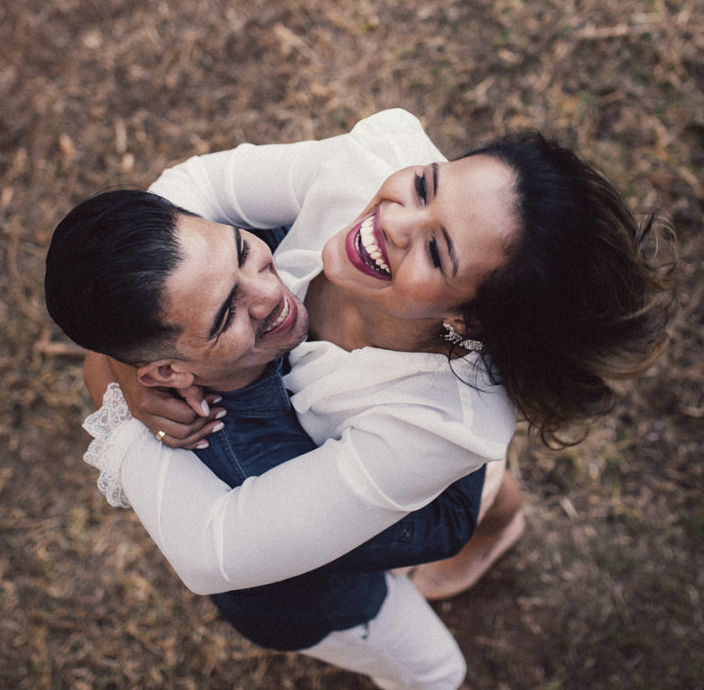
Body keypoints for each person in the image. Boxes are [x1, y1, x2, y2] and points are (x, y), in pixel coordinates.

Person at [80, 109, 675, 685]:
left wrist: (113, 383)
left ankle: (494, 528)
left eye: (437, 251)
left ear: (467, 320)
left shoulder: (440, 422)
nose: (394, 221)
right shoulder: (376, 155)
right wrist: (135, 361)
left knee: (451, 512)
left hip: (405, 455)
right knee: (468, 481)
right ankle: (498, 515)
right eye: (426, 185)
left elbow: (215, 551)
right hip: (382, 459)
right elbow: (187, 190)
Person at [46, 190, 486, 688]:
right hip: (326, 597)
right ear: (167, 371)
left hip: (366, 529)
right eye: (224, 316)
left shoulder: (207, 272)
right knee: (436, 670)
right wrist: (475, 373)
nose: (268, 295)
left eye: (240, 253)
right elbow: (443, 525)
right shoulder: (254, 459)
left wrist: (112, 365)